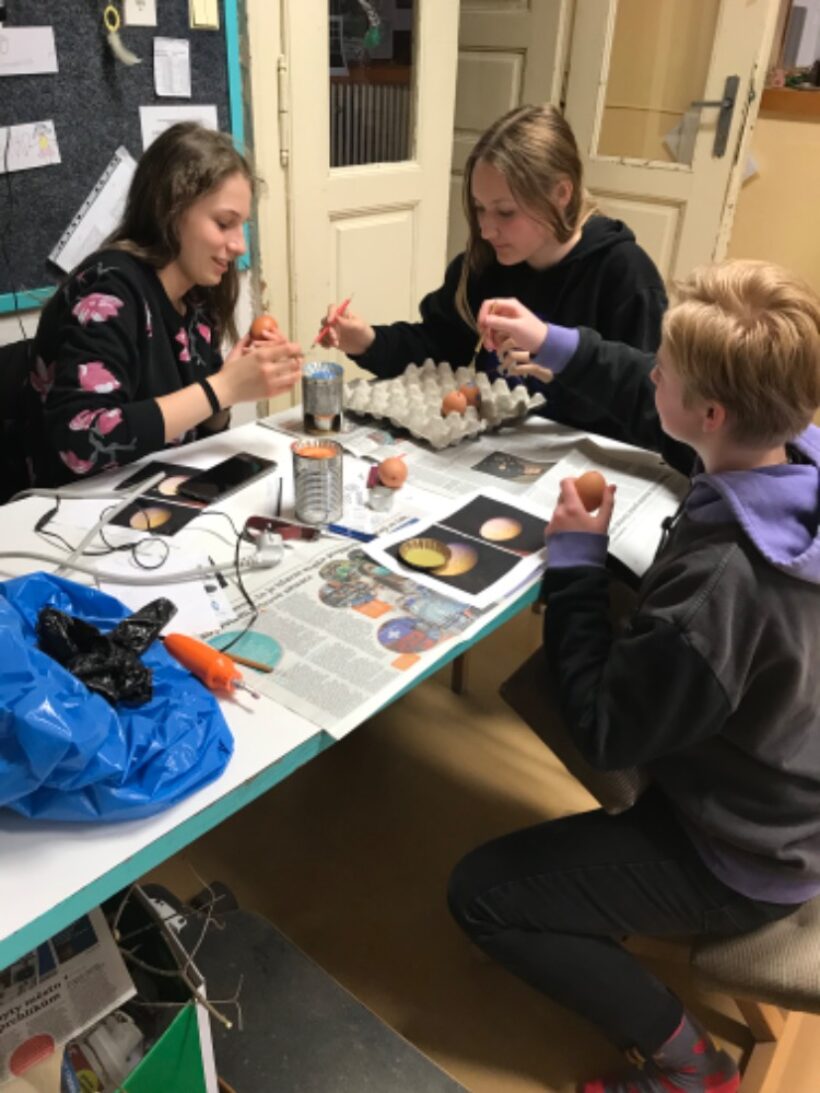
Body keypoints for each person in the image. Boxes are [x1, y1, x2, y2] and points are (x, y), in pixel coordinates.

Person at [447, 259, 820, 1092]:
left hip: (746, 852)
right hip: (790, 783)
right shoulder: (792, 451)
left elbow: (604, 729)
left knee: (479, 894)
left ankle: (692, 1065)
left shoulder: (723, 588)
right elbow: (643, 388)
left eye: (666, 370)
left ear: (711, 414)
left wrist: (577, 561)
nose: (651, 373)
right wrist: (555, 343)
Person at [319, 103, 666, 435]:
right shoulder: (487, 264)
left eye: (505, 212)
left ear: (561, 193)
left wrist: (560, 371)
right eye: (479, 208)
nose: (486, 230)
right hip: (497, 446)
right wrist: (368, 341)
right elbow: (437, 345)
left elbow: (650, 407)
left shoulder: (625, 276)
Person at [28, 123, 302, 487]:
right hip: (74, 503)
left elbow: (199, 433)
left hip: (156, 492)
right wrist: (221, 388)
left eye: (242, 226)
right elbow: (81, 443)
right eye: (224, 224)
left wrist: (225, 393)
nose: (239, 246)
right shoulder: (109, 291)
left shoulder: (197, 298)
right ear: (170, 211)